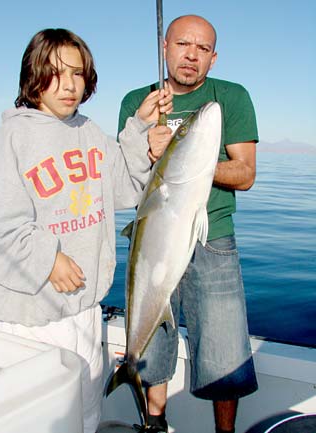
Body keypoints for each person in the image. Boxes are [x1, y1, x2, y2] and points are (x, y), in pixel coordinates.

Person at [0, 28, 172, 433]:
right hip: (30, 322)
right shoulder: (15, 135)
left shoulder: (89, 132)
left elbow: (124, 187)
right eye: (56, 72)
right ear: (33, 76)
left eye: (78, 74)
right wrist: (47, 259)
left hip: (83, 314)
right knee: (39, 422)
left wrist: (140, 134)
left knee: (84, 418)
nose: (69, 85)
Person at [118, 15, 258, 433]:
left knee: (224, 348)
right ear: (165, 46)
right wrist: (146, 149)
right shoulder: (138, 102)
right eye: (183, 44)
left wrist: (190, 161)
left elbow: (245, 173)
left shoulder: (229, 98)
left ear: (213, 58)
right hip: (153, 238)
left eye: (201, 49)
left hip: (212, 238)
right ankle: (155, 423)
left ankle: (225, 432)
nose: (190, 56)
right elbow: (127, 178)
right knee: (153, 341)